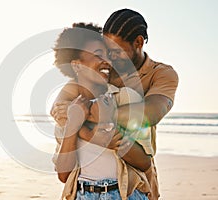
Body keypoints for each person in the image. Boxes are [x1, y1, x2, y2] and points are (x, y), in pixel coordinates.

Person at [51, 9, 178, 200]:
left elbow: (150, 113)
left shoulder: (159, 75)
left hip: (132, 184)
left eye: (115, 51)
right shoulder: (100, 76)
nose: (110, 59)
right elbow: (68, 96)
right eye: (105, 51)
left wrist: (89, 119)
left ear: (138, 43)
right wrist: (74, 118)